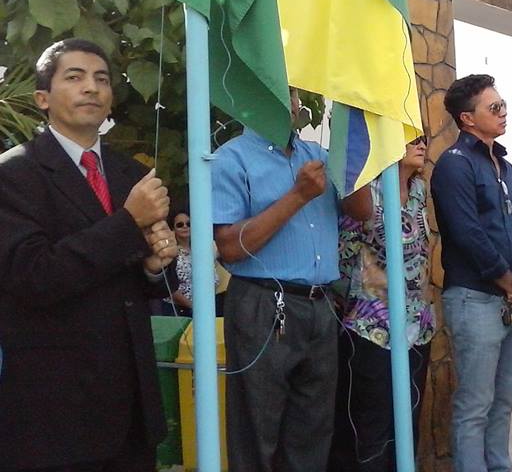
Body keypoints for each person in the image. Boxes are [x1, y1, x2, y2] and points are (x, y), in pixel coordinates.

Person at [0, 38, 178, 471]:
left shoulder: (132, 175)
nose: (91, 88)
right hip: (55, 411)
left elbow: (142, 284)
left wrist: (155, 268)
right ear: (42, 98)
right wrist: (128, 222)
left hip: (131, 408)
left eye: (101, 79)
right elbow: (34, 277)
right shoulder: (14, 173)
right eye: (75, 77)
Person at [213, 88, 369, 472]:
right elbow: (230, 247)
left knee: (313, 431)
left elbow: (362, 210)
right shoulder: (230, 159)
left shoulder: (317, 156)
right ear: (251, 97)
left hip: (319, 304)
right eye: (278, 93)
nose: (291, 104)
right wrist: (298, 195)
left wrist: (351, 147)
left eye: (293, 95)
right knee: (257, 430)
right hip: (263, 303)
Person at [431, 74, 512, 472]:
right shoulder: (454, 165)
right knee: (475, 404)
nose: (503, 112)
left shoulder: (504, 166)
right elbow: (466, 233)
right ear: (467, 118)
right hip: (475, 298)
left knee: (504, 400)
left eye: (503, 104)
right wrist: (510, 283)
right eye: (494, 107)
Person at [333, 134, 435, 472]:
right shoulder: (366, 193)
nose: (421, 145)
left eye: (423, 139)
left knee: (408, 422)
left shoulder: (419, 191)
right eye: (411, 139)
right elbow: (345, 254)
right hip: (371, 325)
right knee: (372, 425)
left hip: (416, 326)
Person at [162, 208, 224, 317]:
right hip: (179, 313)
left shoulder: (204, 251)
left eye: (189, 224)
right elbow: (170, 289)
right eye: (180, 225)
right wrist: (195, 307)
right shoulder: (170, 254)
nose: (185, 227)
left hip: (206, 309)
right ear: (173, 229)